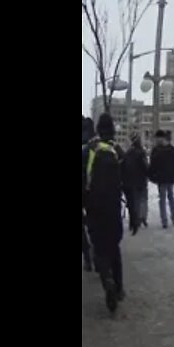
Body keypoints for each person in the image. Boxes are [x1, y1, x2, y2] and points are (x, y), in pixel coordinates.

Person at [83, 113, 126, 313]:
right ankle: (119, 288)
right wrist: (133, 212)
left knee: (99, 248)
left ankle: (107, 278)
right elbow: (130, 181)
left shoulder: (87, 151)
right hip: (114, 206)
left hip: (94, 207)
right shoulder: (117, 151)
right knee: (114, 246)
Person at [148, 130, 174, 229]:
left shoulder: (157, 150)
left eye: (157, 138)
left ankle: (165, 221)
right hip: (169, 177)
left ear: (160, 138)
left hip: (162, 178)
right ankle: (173, 219)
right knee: (170, 197)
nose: (156, 140)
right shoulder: (171, 149)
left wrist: (151, 175)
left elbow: (152, 165)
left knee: (163, 198)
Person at [122, 134, 150, 234]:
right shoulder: (141, 153)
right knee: (142, 200)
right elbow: (145, 167)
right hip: (141, 181)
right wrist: (148, 173)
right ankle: (141, 218)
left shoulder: (128, 153)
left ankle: (134, 220)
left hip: (130, 182)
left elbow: (123, 167)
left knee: (134, 202)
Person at [81, 116, 95, 272]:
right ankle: (96, 255)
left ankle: (87, 256)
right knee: (93, 224)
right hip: (92, 189)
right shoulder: (93, 146)